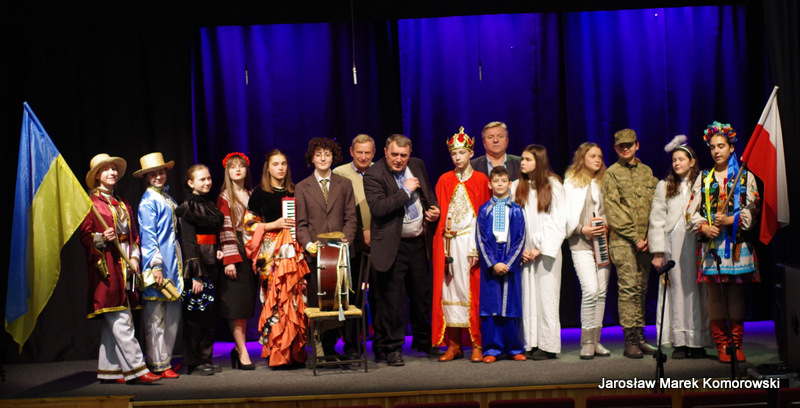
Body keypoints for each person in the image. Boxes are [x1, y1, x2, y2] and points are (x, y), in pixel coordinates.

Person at [78, 154, 161, 384]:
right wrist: (100, 238)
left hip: (126, 266)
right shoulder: (91, 204)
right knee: (121, 318)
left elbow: (133, 235)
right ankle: (138, 368)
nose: (112, 172)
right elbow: (85, 236)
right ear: (97, 175)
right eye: (106, 169)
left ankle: (110, 370)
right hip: (107, 267)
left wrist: (134, 258)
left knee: (114, 320)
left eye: (114, 169)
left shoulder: (123, 202)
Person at [363, 133, 441, 366]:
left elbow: (427, 193)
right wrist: (405, 191)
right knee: (392, 300)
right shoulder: (374, 174)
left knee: (421, 295)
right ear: (385, 152)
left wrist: (433, 209)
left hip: (417, 242)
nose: (399, 159)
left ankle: (423, 341)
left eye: (403, 155)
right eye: (395, 154)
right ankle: (392, 348)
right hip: (392, 244)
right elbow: (379, 208)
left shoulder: (417, 165)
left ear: (410, 154)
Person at [689, 122, 760, 363]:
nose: (716, 151)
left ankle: (736, 344)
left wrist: (732, 219)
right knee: (716, 294)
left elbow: (754, 209)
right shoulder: (704, 179)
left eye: (721, 146)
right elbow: (690, 212)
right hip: (713, 246)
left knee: (736, 292)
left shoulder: (745, 177)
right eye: (712, 147)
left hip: (738, 244)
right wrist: (703, 226)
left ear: (731, 148)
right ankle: (722, 344)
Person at [244, 149, 308, 368]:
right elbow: (248, 224)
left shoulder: (295, 190)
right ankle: (278, 354)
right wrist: (274, 224)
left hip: (293, 250)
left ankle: (295, 352)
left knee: (294, 297)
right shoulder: (259, 192)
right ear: (268, 168)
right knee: (274, 298)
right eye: (275, 164)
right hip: (270, 251)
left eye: (283, 164)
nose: (280, 168)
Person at [432, 127, 491, 363]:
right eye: (454, 153)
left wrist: (477, 247)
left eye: (462, 153)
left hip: (469, 242)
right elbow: (441, 212)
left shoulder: (481, 180)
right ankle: (454, 345)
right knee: (449, 292)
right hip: (448, 243)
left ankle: (477, 343)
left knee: (471, 293)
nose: (458, 157)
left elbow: (483, 217)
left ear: (471, 154)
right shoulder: (444, 179)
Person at [295, 137, 357, 362]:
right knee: (318, 301)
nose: (323, 158)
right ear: (312, 158)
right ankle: (318, 345)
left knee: (338, 300)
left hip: (339, 254)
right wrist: (308, 245)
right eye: (318, 154)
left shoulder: (344, 184)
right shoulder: (302, 187)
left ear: (333, 158)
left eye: (327, 154)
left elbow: (351, 217)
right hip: (316, 255)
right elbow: (301, 224)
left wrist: (346, 239)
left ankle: (330, 348)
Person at [649, 136, 710, 359]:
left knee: (696, 290)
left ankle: (697, 341)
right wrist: (658, 252)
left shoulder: (703, 183)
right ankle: (680, 342)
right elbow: (657, 219)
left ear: (692, 162)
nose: (676, 163)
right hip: (673, 244)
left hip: (695, 241)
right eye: (674, 160)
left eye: (681, 159)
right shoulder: (665, 186)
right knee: (676, 289)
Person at [602, 129, 658, 359]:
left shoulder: (647, 172)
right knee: (628, 288)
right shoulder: (611, 174)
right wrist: (635, 238)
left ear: (637, 145)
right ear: (616, 148)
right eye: (621, 146)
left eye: (629, 145)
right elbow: (613, 210)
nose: (626, 149)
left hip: (645, 241)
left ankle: (640, 335)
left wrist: (650, 237)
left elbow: (656, 205)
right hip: (623, 241)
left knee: (641, 288)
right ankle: (630, 340)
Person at [511, 144, 566, 360]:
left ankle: (548, 345)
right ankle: (530, 342)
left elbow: (558, 219)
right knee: (527, 297)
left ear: (539, 162)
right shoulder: (517, 186)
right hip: (524, 252)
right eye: (522, 159)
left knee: (547, 297)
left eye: (528, 159)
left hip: (546, 252)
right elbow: (513, 220)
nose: (522, 163)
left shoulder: (553, 185)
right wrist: (520, 248)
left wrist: (540, 248)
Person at [134, 152, 183, 378]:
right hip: (158, 263)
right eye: (153, 174)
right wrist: (155, 266)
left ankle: (166, 360)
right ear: (146, 178)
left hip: (172, 261)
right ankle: (157, 362)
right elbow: (148, 235)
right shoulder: (148, 201)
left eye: (161, 172)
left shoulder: (165, 197)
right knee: (155, 316)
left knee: (171, 313)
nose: (158, 177)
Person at [563, 142, 612, 359]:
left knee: (601, 292)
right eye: (593, 156)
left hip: (602, 242)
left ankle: (596, 340)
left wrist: (607, 225)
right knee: (590, 290)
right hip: (581, 242)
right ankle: (586, 341)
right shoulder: (571, 183)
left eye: (600, 156)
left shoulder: (604, 181)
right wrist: (583, 229)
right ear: (582, 158)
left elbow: (610, 210)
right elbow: (566, 214)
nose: (597, 160)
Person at [175, 164, 224, 375]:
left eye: (208, 178)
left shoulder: (208, 204)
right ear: (190, 183)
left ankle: (205, 357)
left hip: (211, 263)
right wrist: (195, 275)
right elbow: (188, 241)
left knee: (208, 314)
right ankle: (194, 361)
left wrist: (218, 248)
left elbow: (213, 232)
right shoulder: (188, 207)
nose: (207, 182)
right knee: (195, 315)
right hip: (197, 267)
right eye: (202, 179)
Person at [476, 166, 527, 363]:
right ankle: (492, 349)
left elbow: (520, 239)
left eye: (503, 181)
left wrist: (508, 263)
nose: (499, 184)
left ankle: (514, 348)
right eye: (496, 181)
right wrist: (492, 263)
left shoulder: (516, 210)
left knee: (511, 305)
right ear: (490, 184)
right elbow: (481, 239)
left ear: (509, 184)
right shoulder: (484, 210)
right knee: (491, 306)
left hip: (509, 260)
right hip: (491, 261)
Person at [332, 134, 376, 360]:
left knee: (380, 295)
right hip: (352, 244)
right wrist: (360, 233)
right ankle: (352, 345)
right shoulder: (339, 173)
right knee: (352, 295)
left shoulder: (381, 171)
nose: (363, 157)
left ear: (374, 153)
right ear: (351, 152)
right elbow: (339, 211)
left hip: (379, 241)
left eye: (368, 153)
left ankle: (382, 346)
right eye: (359, 152)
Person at [217, 152, 257, 370]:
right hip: (236, 248)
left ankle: (239, 348)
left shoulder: (252, 194)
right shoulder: (225, 197)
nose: (238, 170)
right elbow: (224, 229)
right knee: (237, 304)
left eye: (241, 166)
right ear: (228, 172)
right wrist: (230, 259)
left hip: (252, 249)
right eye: (233, 167)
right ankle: (242, 350)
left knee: (247, 302)